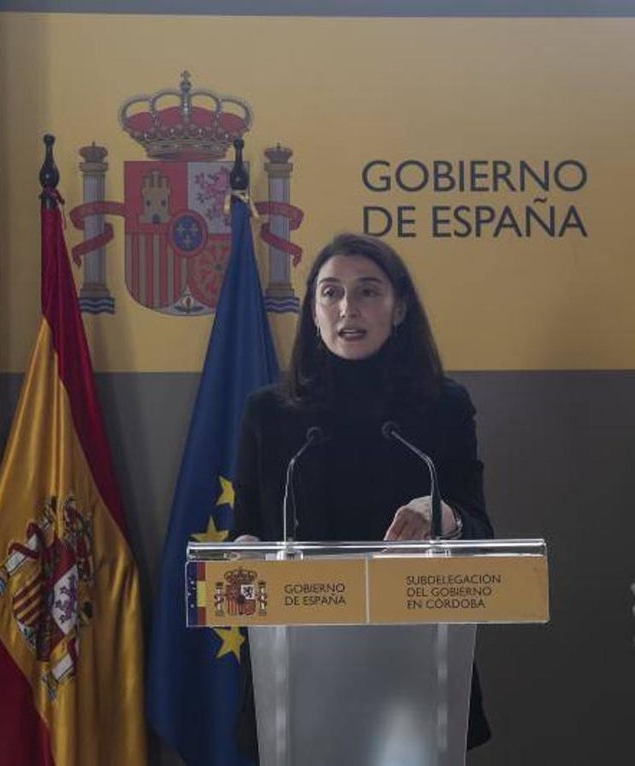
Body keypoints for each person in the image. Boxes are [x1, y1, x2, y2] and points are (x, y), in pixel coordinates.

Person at [231, 232, 494, 753]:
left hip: (414, 667)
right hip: (298, 666)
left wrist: (441, 514)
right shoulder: (270, 413)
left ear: (398, 309)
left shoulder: (442, 406)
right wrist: (242, 559)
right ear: (313, 311)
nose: (347, 307)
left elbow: (480, 530)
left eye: (368, 291)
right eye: (330, 293)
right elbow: (247, 532)